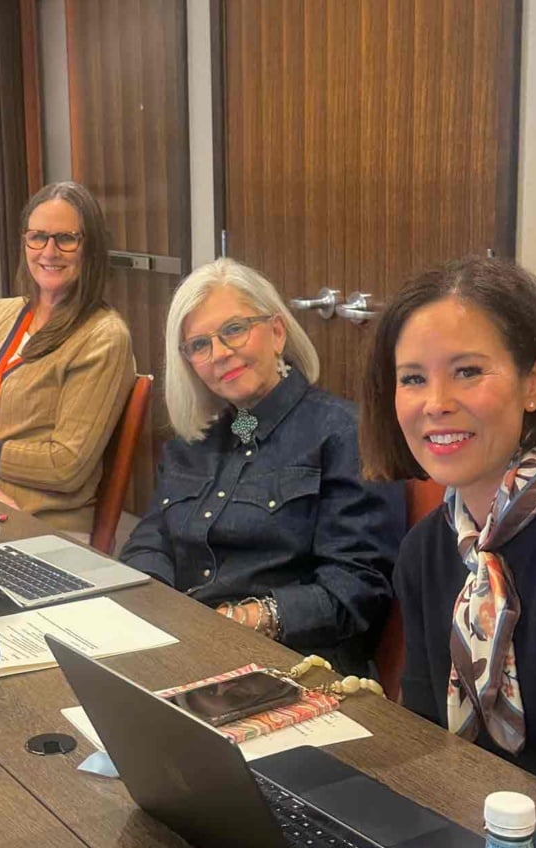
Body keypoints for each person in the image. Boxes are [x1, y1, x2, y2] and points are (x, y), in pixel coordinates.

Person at [356, 255, 536, 848]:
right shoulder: (429, 551)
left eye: (466, 371)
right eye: (412, 378)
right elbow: (439, 751)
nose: (435, 402)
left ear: (532, 383)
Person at [120, 258, 403, 675]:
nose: (219, 354)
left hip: (293, 666)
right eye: (199, 345)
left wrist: (243, 620)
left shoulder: (344, 433)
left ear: (276, 332)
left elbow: (357, 589)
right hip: (183, 648)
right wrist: (156, 605)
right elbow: (151, 538)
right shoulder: (198, 436)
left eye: (234, 330)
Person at [0, 181, 134, 532]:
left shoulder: (103, 337)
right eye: (38, 237)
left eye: (66, 239)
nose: (49, 252)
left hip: (41, 524)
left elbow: (66, 466)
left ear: (91, 248)